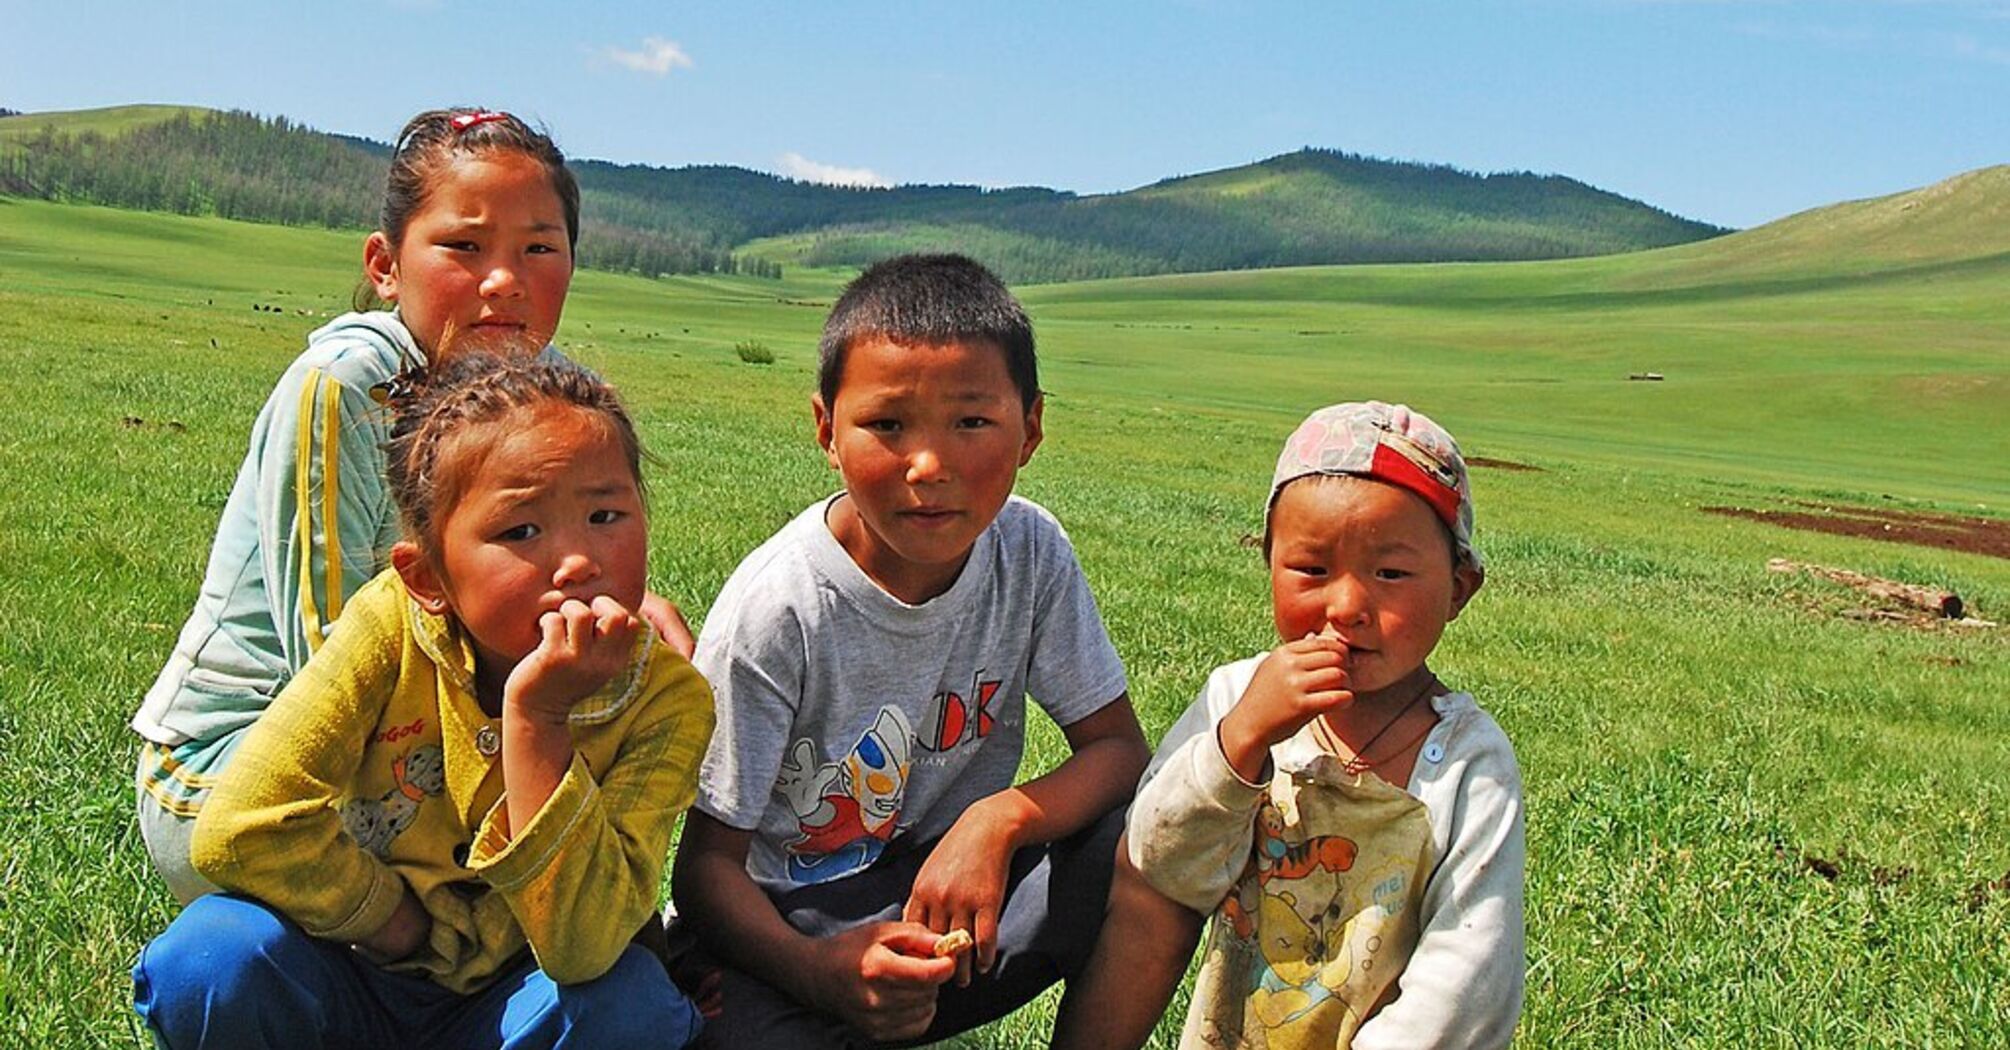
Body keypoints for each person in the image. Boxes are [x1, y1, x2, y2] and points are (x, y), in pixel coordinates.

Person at [131, 106, 691, 904]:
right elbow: (327, 665)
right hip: (255, 771)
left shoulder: (549, 394)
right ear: (386, 266)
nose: (505, 279)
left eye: (540, 248)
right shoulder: (344, 387)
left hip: (424, 756)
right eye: (464, 247)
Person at [131, 353, 715, 1049]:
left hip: (521, 996)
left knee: (631, 1009)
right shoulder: (391, 626)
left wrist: (538, 719)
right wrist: (392, 918)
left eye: (606, 514)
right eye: (521, 531)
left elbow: (583, 948)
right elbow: (240, 825)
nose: (579, 561)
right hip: (352, 972)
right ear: (428, 575)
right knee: (212, 956)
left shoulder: (668, 700)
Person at [669, 253, 1155, 1047]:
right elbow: (705, 871)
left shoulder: (1028, 552)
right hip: (789, 934)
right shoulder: (779, 607)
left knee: (1149, 835)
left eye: (971, 422)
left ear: (1031, 428)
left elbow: (1118, 751)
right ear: (826, 430)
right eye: (887, 425)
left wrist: (995, 824)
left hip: (957, 904)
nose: (929, 466)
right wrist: (816, 971)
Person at [1124, 401, 1525, 1049]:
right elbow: (1163, 864)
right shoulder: (1237, 696)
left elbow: (1469, 977)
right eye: (1312, 570)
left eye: (1390, 573)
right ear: (1269, 565)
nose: (1346, 606)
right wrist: (1241, 741)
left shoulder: (1467, 762)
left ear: (1459, 589)